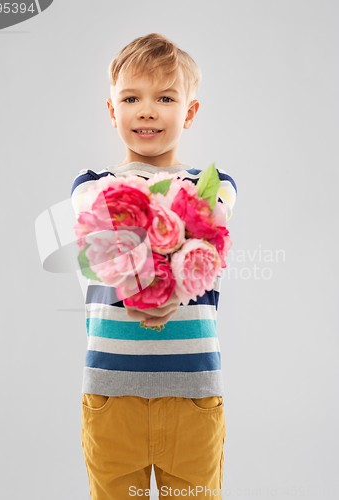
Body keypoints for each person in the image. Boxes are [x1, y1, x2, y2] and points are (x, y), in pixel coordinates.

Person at [71, 33, 237, 500]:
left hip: (193, 395)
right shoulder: (90, 186)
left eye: (165, 97)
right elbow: (100, 228)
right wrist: (164, 259)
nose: (147, 110)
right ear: (112, 111)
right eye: (131, 98)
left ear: (189, 112)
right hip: (111, 394)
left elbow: (210, 221)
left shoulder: (217, 183)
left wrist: (153, 278)